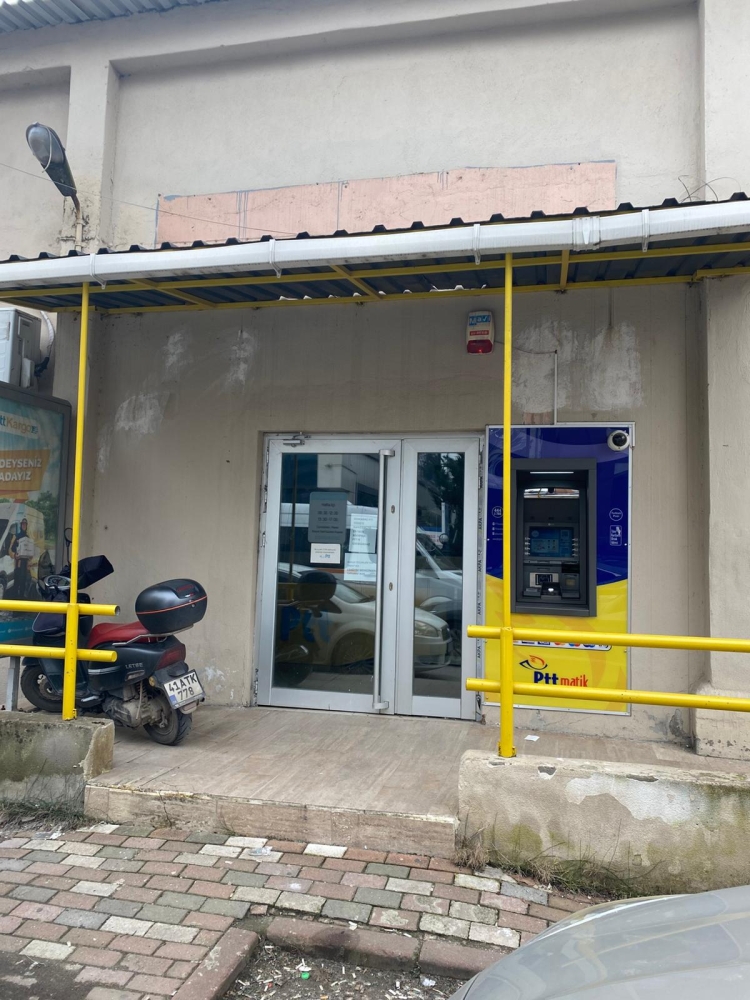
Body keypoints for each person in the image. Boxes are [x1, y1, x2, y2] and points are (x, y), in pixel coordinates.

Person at [10, 518, 34, 598]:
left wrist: (30, 556)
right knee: (16, 583)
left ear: (26, 526)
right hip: (18, 564)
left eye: (25, 524)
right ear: (21, 525)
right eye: (23, 524)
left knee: (23, 584)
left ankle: (21, 600)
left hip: (25, 565)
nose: (24, 525)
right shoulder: (16, 536)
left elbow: (29, 551)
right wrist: (14, 555)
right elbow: (10, 549)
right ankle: (15, 601)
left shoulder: (28, 538)